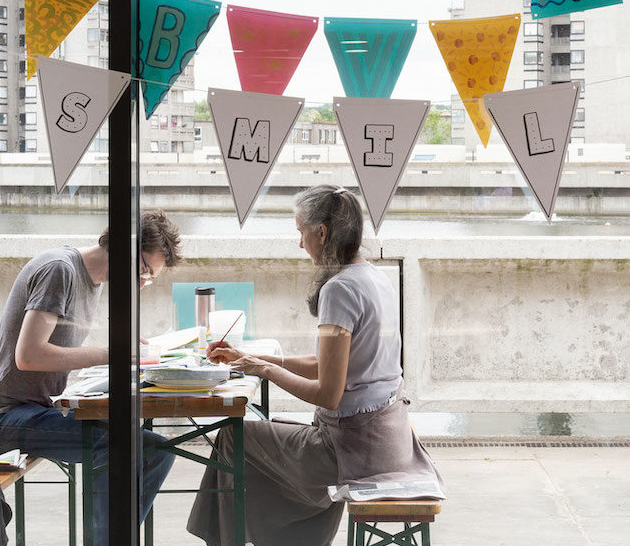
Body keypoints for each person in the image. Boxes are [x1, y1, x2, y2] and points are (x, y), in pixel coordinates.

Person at [188, 185, 445, 546]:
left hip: (349, 453)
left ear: (321, 233)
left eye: (301, 233)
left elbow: (327, 393)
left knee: (233, 436)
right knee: (264, 436)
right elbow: (328, 364)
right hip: (390, 441)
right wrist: (255, 357)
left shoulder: (338, 289)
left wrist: (263, 371)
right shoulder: (376, 279)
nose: (300, 244)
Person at [0, 211, 185, 542]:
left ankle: (114, 537)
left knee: (153, 447)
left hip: (38, 409)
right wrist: (110, 355)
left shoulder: (94, 281)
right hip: (4, 418)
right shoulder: (61, 270)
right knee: (132, 447)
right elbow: (28, 356)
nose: (143, 284)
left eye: (150, 278)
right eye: (143, 271)